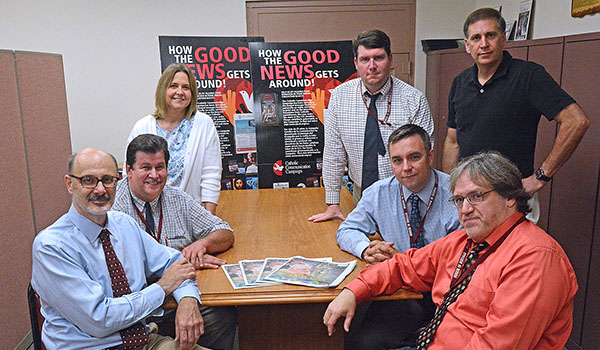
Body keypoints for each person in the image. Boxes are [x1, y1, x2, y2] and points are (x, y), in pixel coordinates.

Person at [324, 151, 578, 350]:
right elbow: (403, 266)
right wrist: (353, 291)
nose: (465, 209)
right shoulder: (462, 241)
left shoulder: (535, 258)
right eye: (459, 200)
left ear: (509, 197)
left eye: (476, 196)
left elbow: (498, 345)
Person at [31, 147, 208, 350]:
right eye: (88, 180)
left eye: (108, 180)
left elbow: (175, 263)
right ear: (70, 184)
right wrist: (162, 288)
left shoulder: (124, 224)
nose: (100, 190)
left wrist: (187, 300)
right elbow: (99, 319)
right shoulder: (51, 247)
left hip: (145, 342)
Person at [442, 8, 590, 223]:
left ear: (503, 39)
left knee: (513, 256)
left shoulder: (529, 76)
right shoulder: (459, 83)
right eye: (476, 38)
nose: (483, 44)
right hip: (470, 199)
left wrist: (540, 177)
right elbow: (452, 141)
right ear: (467, 45)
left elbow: (576, 121)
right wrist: (453, 188)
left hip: (511, 198)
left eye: (490, 35)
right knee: (472, 256)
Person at [335, 124, 460, 349]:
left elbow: (459, 258)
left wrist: (405, 261)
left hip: (449, 294)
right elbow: (346, 230)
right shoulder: (379, 192)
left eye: (414, 157)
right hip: (401, 293)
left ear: (430, 156)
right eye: (397, 160)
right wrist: (366, 249)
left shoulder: (456, 194)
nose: (406, 168)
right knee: (361, 343)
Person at [112, 134, 236, 349]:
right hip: (136, 303)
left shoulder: (176, 198)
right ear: (128, 170)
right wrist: (181, 264)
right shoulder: (114, 207)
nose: (154, 175)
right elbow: (122, 267)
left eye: (160, 167)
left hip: (177, 294)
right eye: (145, 167)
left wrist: (202, 245)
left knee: (220, 315)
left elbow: (224, 232)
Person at [309, 29, 434, 222]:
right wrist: (332, 204)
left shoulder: (414, 100)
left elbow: (426, 156)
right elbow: (334, 153)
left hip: (407, 194)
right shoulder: (339, 98)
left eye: (378, 58)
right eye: (365, 59)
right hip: (361, 194)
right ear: (356, 63)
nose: (372, 66)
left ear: (390, 60)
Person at [127, 63, 222, 215]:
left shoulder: (203, 124)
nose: (180, 92)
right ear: (163, 90)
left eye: (186, 87)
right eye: (173, 86)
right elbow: (130, 174)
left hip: (190, 212)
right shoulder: (143, 126)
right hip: (148, 213)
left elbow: (211, 174)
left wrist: (208, 219)